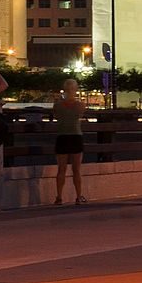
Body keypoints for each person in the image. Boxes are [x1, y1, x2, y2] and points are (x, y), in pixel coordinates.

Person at [53, 77, 88, 205]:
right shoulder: (80, 105)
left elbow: (56, 116)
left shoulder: (57, 105)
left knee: (61, 169)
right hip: (75, 136)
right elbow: (80, 115)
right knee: (76, 169)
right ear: (75, 89)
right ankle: (79, 196)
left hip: (62, 136)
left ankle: (59, 197)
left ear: (64, 89)